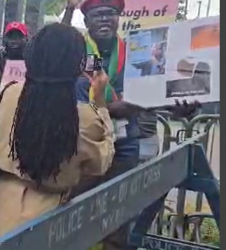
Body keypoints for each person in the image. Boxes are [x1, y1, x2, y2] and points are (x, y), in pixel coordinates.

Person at [61, 0, 199, 249]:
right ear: (86, 21)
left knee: (119, 212)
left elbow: (155, 90)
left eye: (110, 13)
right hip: (84, 145)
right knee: (76, 210)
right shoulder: (76, 52)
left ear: (119, 18)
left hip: (126, 143)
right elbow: (89, 103)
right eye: (98, 14)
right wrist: (135, 104)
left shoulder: (138, 50)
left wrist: (177, 105)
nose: (105, 19)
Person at [0, 22, 115, 240]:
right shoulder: (83, 116)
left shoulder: (9, 92)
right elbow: (100, 163)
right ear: (78, 64)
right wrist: (100, 103)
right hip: (45, 219)